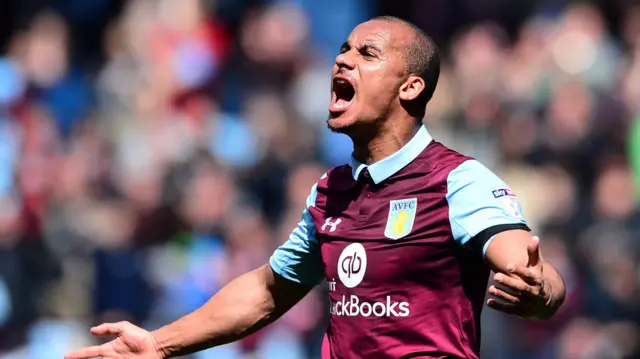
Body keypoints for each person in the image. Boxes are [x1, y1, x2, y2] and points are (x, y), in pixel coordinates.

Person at [65, 16, 566, 359]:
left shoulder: (457, 179)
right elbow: (267, 290)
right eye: (342, 50)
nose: (342, 61)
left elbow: (526, 262)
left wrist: (540, 288)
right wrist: (160, 343)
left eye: (366, 53)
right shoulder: (330, 193)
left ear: (410, 87)